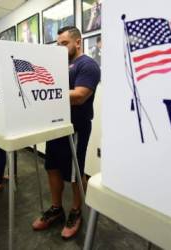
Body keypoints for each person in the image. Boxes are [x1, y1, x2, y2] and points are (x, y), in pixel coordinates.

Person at [32, 26, 100, 239]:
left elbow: (80, 95)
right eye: (58, 44)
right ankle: (56, 208)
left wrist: (45, 92)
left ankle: (76, 212)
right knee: (52, 167)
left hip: (76, 127)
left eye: (64, 43)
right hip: (55, 125)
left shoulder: (88, 65)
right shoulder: (58, 65)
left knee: (74, 173)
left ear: (77, 42)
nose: (60, 48)